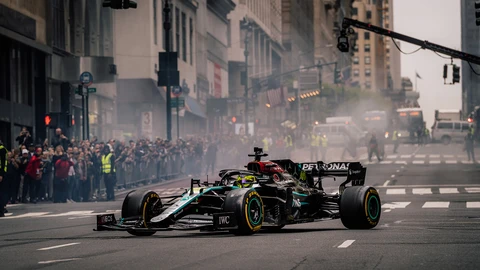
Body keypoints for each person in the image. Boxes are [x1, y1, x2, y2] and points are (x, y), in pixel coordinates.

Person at [0, 140, 8, 217]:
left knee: (1, 193)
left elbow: (3, 163)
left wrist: (1, 174)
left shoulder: (2, 149)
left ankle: (1, 210)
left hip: (1, 173)